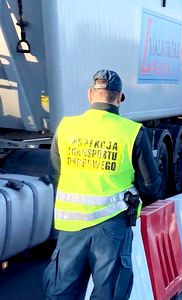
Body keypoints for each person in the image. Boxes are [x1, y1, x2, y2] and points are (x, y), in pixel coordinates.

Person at [43, 70, 161, 300]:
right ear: (119, 97)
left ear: (90, 95)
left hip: (70, 227)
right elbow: (150, 185)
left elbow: (55, 175)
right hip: (112, 228)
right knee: (109, 292)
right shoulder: (132, 132)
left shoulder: (66, 127)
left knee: (62, 292)